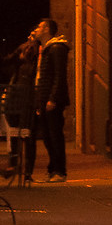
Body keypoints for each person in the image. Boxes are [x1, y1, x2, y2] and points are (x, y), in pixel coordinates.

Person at [0, 24, 45, 182]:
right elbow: (5, 61)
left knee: (27, 134)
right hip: (16, 95)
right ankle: (15, 165)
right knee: (17, 133)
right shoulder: (21, 55)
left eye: (33, 35)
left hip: (26, 97)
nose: (31, 36)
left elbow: (38, 77)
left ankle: (26, 170)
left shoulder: (40, 55)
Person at [30, 16, 72, 183]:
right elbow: (42, 76)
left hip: (52, 99)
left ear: (47, 29)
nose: (37, 29)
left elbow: (59, 76)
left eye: (40, 27)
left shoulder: (56, 48)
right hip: (44, 98)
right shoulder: (46, 48)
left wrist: (53, 99)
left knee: (55, 135)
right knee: (47, 136)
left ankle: (59, 171)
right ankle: (52, 168)